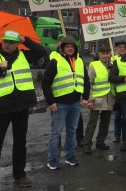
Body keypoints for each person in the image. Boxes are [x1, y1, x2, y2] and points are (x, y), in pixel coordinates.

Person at [0, 30, 44, 190]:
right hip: (0, 106)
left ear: (17, 44)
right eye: (5, 41)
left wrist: (24, 39)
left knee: (20, 142)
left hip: (21, 105)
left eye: (12, 42)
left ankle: (19, 175)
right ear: (2, 41)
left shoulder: (24, 56)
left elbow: (42, 51)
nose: (7, 44)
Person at [42, 36, 90, 170]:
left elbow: (85, 80)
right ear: (62, 48)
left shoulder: (79, 61)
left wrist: (85, 97)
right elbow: (46, 83)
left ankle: (70, 156)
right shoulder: (55, 61)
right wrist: (51, 102)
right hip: (60, 104)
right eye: (67, 46)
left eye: (72, 46)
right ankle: (52, 159)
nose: (70, 48)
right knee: (56, 132)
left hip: (75, 103)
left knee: (72, 131)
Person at [83, 46, 115, 154]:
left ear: (110, 54)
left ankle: (100, 142)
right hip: (96, 98)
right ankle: (87, 144)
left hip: (109, 97)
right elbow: (89, 83)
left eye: (107, 53)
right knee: (92, 122)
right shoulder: (94, 65)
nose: (105, 55)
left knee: (105, 121)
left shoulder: (112, 65)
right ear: (99, 55)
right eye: (103, 53)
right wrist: (90, 99)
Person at [112, 40, 126, 143]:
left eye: (123, 47)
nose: (122, 49)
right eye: (119, 47)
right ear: (116, 49)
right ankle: (117, 135)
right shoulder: (113, 59)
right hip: (116, 92)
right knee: (117, 116)